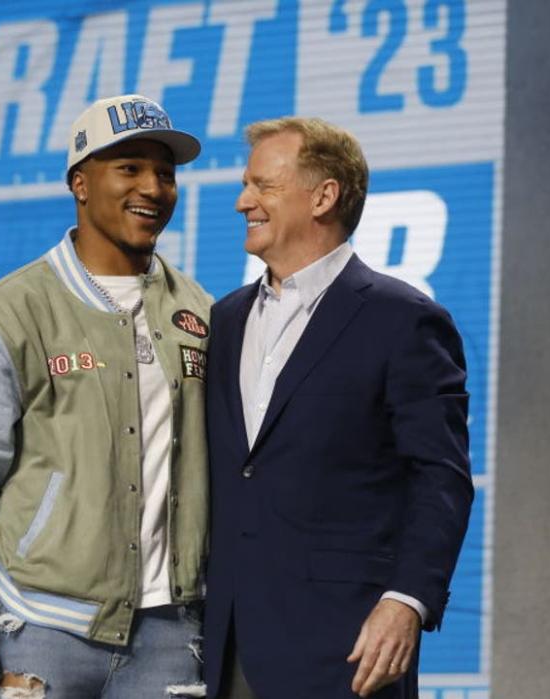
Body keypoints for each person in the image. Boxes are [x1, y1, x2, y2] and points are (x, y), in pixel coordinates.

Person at [0, 94, 212, 699]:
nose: (153, 188)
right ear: (80, 182)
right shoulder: (8, 313)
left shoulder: (199, 311)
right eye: (129, 168)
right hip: (42, 630)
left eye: (165, 173)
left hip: (170, 633)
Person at [201, 116, 474, 698]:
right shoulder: (223, 321)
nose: (242, 201)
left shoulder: (403, 319)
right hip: (228, 646)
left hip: (346, 648)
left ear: (324, 196)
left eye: (262, 186)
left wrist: (406, 601)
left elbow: (441, 478)